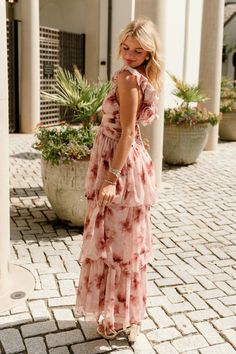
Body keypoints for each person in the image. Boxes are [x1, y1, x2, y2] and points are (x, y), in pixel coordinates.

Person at [75, 18, 163, 342]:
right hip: (123, 156)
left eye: (137, 50)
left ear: (147, 54)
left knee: (113, 244)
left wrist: (111, 178)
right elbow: (133, 127)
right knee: (126, 245)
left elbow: (126, 130)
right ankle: (126, 315)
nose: (128, 54)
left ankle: (120, 314)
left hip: (117, 164)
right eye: (125, 47)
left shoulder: (128, 78)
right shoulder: (137, 78)